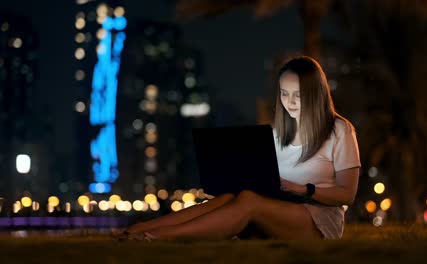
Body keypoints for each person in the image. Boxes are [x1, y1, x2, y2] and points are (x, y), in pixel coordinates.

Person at [120, 56, 361, 241]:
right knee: (229, 196)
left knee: (248, 200)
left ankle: (160, 238)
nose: (290, 102)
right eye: (284, 94)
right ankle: (139, 229)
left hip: (319, 219)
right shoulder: (281, 133)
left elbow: (347, 194)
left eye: (298, 94)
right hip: (279, 206)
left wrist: (304, 189)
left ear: (315, 93)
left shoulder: (339, 129)